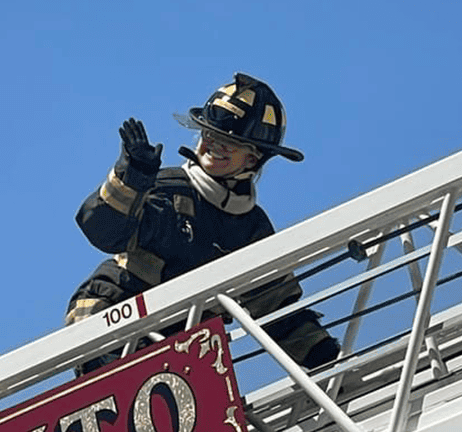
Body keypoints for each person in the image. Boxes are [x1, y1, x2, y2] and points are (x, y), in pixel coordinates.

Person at [66, 73, 340, 371]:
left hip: (182, 348)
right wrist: (132, 177)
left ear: (253, 158)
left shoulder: (251, 229)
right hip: (112, 319)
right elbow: (103, 231)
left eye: (228, 142)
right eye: (210, 134)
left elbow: (279, 310)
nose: (213, 145)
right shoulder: (167, 188)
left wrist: (330, 361)